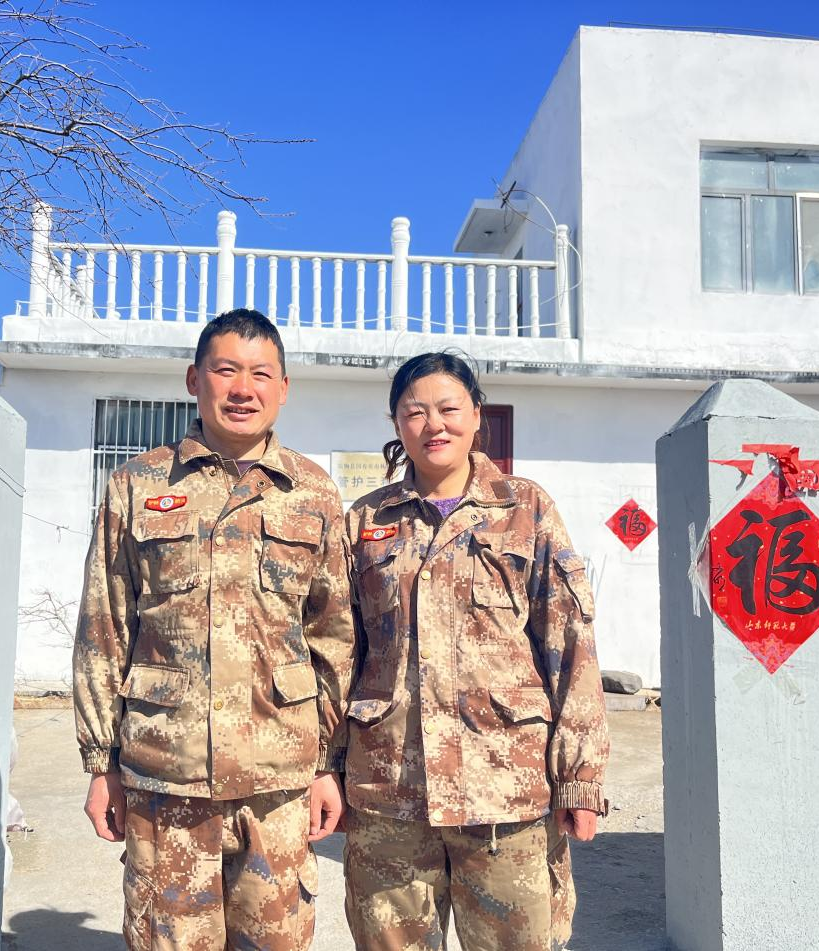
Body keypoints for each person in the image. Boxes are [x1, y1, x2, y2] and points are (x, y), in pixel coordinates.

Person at [72, 309, 355, 951]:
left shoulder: (313, 493)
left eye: (261, 374)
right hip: (164, 776)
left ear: (284, 388)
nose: (243, 389)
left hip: (278, 782)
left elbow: (334, 638)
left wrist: (327, 764)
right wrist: (101, 762)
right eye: (226, 371)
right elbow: (104, 628)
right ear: (194, 380)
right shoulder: (137, 485)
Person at [343, 351, 609, 950]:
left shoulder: (525, 508)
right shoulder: (365, 520)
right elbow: (340, 652)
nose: (433, 425)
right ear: (395, 422)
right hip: (390, 793)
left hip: (504, 790)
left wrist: (580, 777)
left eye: (449, 408)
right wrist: (326, 769)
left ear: (477, 415)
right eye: (415, 412)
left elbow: (571, 643)